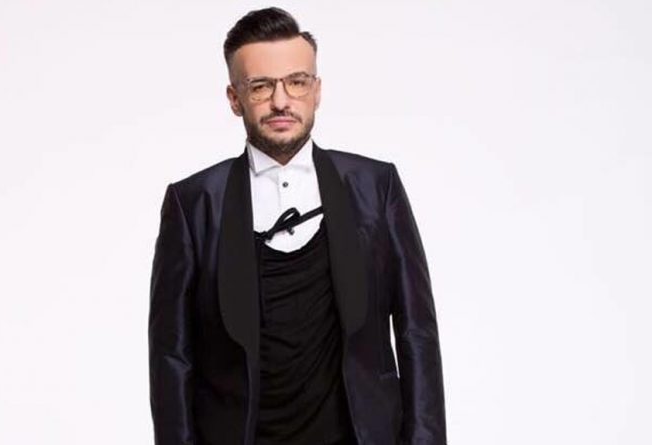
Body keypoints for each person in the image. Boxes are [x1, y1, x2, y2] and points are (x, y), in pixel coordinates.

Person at [148, 7, 447, 445]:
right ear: (234, 98)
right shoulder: (193, 203)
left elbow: (416, 332)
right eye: (261, 86)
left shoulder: (375, 187)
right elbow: (172, 358)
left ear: (316, 91)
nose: (281, 101)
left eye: (296, 82)